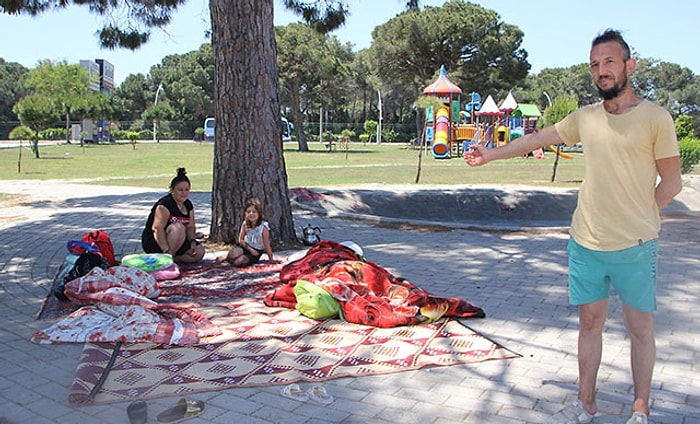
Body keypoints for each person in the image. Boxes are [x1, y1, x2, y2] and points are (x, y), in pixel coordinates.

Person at [464, 29, 682, 424]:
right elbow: (537, 138)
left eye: (610, 62)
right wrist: (490, 154)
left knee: (639, 328)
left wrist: (644, 214)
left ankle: (641, 407)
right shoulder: (586, 117)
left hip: (636, 244)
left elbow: (672, 182)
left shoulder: (656, 118)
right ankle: (586, 403)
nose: (602, 71)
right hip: (586, 241)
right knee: (589, 324)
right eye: (596, 65)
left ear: (629, 66)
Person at [141, 168, 206, 264]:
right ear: (172, 190)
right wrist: (166, 250)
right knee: (178, 227)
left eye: (186, 190)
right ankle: (166, 257)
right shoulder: (165, 205)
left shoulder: (188, 204)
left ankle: (172, 259)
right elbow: (157, 229)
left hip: (178, 240)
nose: (184, 193)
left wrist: (192, 242)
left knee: (200, 252)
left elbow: (191, 226)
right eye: (180, 190)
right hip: (157, 241)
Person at [217, 198, 275, 266]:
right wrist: (250, 249)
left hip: (256, 252)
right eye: (248, 212)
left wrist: (271, 259)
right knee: (233, 253)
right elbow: (240, 240)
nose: (251, 214)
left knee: (239, 262)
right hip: (245, 247)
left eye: (254, 211)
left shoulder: (263, 227)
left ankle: (235, 260)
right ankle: (227, 257)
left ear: (259, 213)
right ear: (245, 214)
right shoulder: (245, 224)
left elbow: (267, 245)